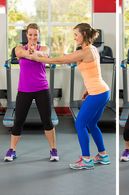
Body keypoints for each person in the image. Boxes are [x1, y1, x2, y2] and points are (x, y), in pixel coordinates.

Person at [26, 23, 111, 170]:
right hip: (101, 91)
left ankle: (86, 159)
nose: (74, 37)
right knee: (91, 124)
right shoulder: (90, 49)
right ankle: (103, 155)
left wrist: (37, 58)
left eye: (76, 34)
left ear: (84, 35)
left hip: (98, 93)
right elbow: (93, 72)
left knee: (80, 124)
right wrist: (87, 88)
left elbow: (59, 60)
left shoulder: (85, 51)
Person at [4, 23, 59, 162]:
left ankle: (53, 149)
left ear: (39, 35)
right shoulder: (18, 49)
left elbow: (44, 54)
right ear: (26, 35)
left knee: (47, 121)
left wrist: (35, 53)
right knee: (18, 121)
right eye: (30, 34)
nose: (33, 37)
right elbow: (20, 54)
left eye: (35, 34)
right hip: (24, 90)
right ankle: (12, 150)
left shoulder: (45, 48)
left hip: (42, 89)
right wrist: (31, 53)